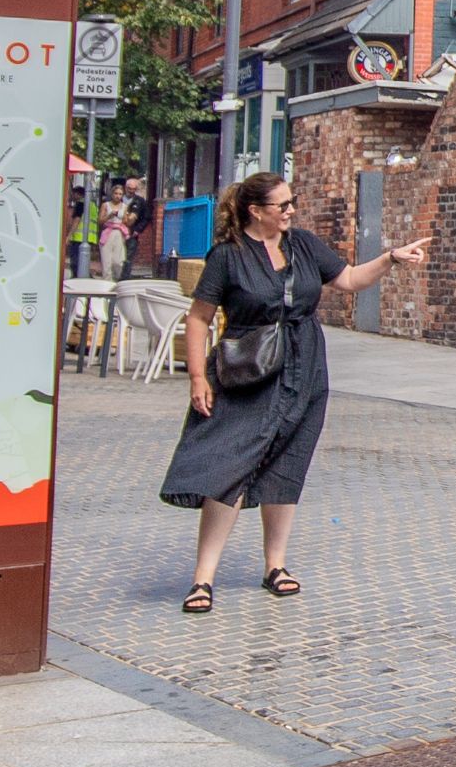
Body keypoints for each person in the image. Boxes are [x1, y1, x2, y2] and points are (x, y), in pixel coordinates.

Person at [158, 169, 420, 612]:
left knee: (287, 462)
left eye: (291, 202)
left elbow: (350, 280)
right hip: (247, 372)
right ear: (255, 211)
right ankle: (203, 577)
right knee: (229, 465)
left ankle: (274, 565)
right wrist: (198, 378)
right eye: (283, 205)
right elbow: (198, 317)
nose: (291, 210)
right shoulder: (228, 256)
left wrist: (391, 258)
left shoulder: (302, 244)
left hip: (303, 367)